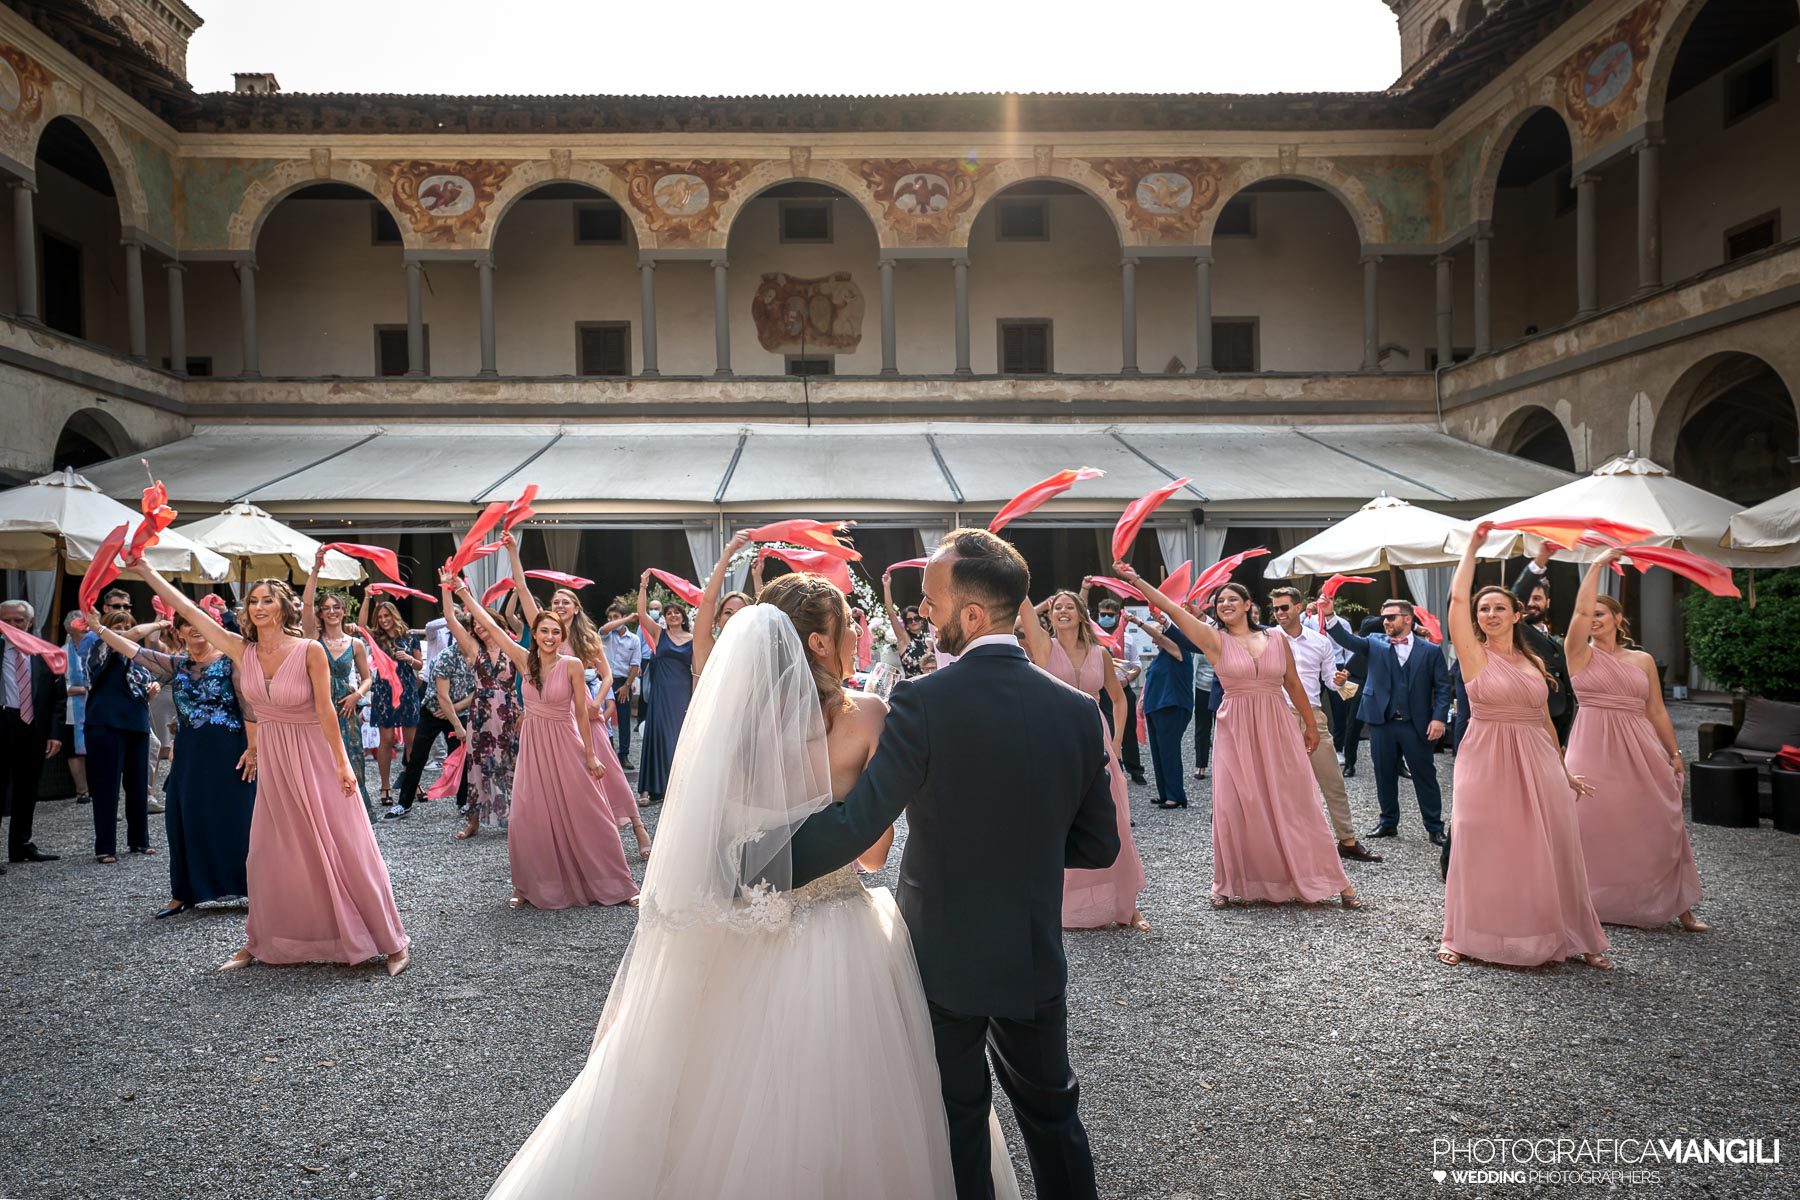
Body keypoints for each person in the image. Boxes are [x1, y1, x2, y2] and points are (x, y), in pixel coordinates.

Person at [487, 575, 1025, 1199]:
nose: (856, 636)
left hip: (748, 929)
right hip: (843, 926)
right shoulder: (869, 716)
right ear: (821, 643)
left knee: (721, 1090)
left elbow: (715, 840)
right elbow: (875, 855)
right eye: (849, 626)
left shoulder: (733, 727)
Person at [787, 529, 1119, 1200]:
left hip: (939, 954)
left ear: (971, 616)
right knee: (1053, 1114)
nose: (925, 615)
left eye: (932, 603)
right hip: (1030, 950)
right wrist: (1018, 847)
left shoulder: (922, 701)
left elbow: (858, 823)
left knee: (960, 1118)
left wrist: (756, 865)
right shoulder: (1079, 712)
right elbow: (1100, 846)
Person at [131, 562, 410, 975]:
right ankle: (264, 940)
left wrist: (343, 765)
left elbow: (326, 711)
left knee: (344, 845)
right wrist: (145, 571)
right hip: (276, 761)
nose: (258, 607)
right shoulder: (240, 650)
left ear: (283, 607)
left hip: (314, 755)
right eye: (253, 602)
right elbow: (187, 610)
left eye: (267, 600)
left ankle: (390, 941)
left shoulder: (309, 650)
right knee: (268, 854)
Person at [1121, 572, 1360, 911]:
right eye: (1220, 601)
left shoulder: (1277, 639)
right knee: (1235, 804)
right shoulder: (1213, 639)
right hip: (1236, 727)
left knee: (1295, 801)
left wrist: (1309, 724)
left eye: (1233, 599)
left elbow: (1293, 683)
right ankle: (1228, 882)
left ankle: (1334, 880)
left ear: (1249, 605)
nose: (1225, 604)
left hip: (1277, 723)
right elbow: (1171, 609)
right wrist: (1136, 580)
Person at [1437, 525, 1610, 970]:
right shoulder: (1474, 654)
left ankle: (1574, 935)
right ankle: (1463, 932)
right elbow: (1456, 602)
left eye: (1499, 608)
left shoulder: (1533, 659)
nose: (1489, 615)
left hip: (1538, 757)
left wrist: (1563, 768)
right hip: (1486, 756)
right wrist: (1473, 548)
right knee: (1479, 839)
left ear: (1517, 615)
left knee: (1552, 844)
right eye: (1483, 609)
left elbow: (1542, 720)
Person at [455, 587, 639, 910]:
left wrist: (591, 754)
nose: (550, 636)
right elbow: (493, 625)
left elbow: (581, 713)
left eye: (556, 631)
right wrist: (462, 593)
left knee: (590, 811)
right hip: (534, 746)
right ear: (535, 634)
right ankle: (527, 885)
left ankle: (618, 883)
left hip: (567, 742)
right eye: (544, 631)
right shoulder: (523, 660)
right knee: (527, 817)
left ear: (562, 634)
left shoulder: (572, 665)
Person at [85, 604, 256, 917]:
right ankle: (184, 892)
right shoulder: (177, 666)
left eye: (201, 624)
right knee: (181, 814)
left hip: (229, 748)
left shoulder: (232, 662)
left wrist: (254, 747)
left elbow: (248, 707)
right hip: (190, 751)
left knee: (237, 816)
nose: (194, 630)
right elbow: (133, 650)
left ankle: (253, 889)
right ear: (177, 632)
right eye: (186, 625)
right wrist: (98, 629)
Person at [1563, 556, 1705, 932]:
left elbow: (1657, 710)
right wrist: (1597, 567)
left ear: (1616, 617)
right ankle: (1590, 902)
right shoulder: (1578, 653)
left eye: (1601, 613)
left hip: (1641, 745)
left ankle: (1678, 905)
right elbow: (1579, 612)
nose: (1593, 619)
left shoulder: (1641, 660)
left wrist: (1674, 753)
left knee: (1657, 819)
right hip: (1592, 744)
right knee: (1590, 822)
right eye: (1588, 614)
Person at [505, 542, 653, 856]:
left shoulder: (587, 638)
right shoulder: (545, 631)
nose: (558, 605)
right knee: (569, 780)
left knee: (609, 771)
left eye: (564, 602)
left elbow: (608, 674)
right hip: (555, 710)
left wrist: (597, 702)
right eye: (555, 601)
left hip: (585, 708)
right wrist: (513, 553)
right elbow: (522, 587)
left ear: (575, 608)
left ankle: (640, 832)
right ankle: (580, 843)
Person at [1020, 589, 1150, 932]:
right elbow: (1022, 613)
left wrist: (1119, 741)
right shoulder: (1044, 647)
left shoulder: (1100, 653)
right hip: (1055, 736)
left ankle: (1127, 906)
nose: (1062, 611)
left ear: (1081, 614)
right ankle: (1058, 903)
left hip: (1097, 735)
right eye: (1057, 607)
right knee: (1060, 817)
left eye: (1069, 607)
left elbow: (1119, 700)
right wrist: (1034, 596)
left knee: (1116, 815)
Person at [1319, 597, 1452, 844]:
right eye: (1384, 617)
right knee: (1384, 773)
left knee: (1425, 774)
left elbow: (1443, 688)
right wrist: (1329, 616)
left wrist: (1438, 719)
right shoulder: (1374, 643)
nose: (1386, 621)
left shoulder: (1431, 651)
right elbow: (1348, 640)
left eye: (1391, 617)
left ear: (1407, 619)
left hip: (1417, 723)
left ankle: (1434, 827)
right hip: (1381, 722)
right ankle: (1388, 823)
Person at [1268, 587, 1382, 864]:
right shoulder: (1267, 639)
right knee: (1280, 786)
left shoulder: (1320, 642)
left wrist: (1339, 680)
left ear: (1299, 607)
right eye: (1275, 609)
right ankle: (1286, 846)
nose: (1280, 613)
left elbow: (1330, 680)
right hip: (1275, 716)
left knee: (1333, 781)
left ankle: (1348, 840)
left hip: (1313, 716)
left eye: (1284, 607)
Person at [442, 591, 520, 838]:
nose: (479, 627)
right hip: (482, 715)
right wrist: (447, 589)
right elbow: (450, 618)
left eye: (483, 622)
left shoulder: (513, 647)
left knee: (514, 762)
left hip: (510, 711)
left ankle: (520, 817)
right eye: (476, 625)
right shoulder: (474, 648)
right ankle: (473, 821)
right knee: (478, 765)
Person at [302, 553, 374, 819]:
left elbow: (368, 677)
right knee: (322, 761)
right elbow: (306, 604)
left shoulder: (355, 643)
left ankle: (355, 813)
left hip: (346, 708)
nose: (331, 611)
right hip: (317, 707)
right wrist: (315, 571)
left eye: (336, 607)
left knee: (352, 758)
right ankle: (326, 813)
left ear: (344, 611)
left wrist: (357, 694)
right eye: (327, 608)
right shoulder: (312, 637)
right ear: (321, 613)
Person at [387, 604, 475, 821]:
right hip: (434, 711)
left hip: (458, 709)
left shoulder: (477, 656)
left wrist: (455, 713)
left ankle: (464, 803)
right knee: (417, 756)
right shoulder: (445, 657)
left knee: (462, 758)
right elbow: (442, 696)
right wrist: (454, 722)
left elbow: (477, 690)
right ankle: (403, 804)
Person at [84, 608, 157, 863]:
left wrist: (151, 689)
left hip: (136, 722)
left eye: (126, 625)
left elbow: (144, 686)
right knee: (107, 787)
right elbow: (135, 634)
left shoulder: (139, 658)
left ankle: (139, 840)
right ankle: (105, 847)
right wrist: (163, 621)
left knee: (138, 785)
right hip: (106, 723)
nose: (123, 631)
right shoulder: (99, 647)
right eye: (117, 626)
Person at [1, 599, 64, 868]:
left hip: (34, 727)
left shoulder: (44, 653)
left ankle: (21, 845)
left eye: (19, 620)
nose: (14, 625)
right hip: (4, 721)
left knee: (28, 788)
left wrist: (55, 733)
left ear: (30, 621)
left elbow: (57, 698)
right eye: (8, 620)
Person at [1128, 603, 1198, 809]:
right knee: (1158, 753)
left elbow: (1161, 637)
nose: (1155, 637)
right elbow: (1150, 684)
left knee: (1169, 751)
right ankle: (1165, 793)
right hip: (1156, 708)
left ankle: (1175, 795)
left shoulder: (1180, 650)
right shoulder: (1161, 657)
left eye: (1161, 634)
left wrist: (1139, 622)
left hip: (1172, 707)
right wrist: (1142, 703)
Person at [636, 570, 695, 806]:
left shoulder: (693, 638)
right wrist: (643, 586)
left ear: (682, 617)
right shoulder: (660, 634)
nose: (672, 615)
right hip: (662, 693)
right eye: (668, 613)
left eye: (676, 612)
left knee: (680, 738)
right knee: (658, 735)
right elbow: (641, 613)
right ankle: (650, 789)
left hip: (682, 693)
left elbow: (697, 669)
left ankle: (676, 788)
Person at [358, 594, 422, 806]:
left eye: (387, 615)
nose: (384, 619)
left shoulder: (410, 636)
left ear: (394, 615)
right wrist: (367, 598)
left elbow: (420, 666)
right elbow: (360, 626)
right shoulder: (377, 637)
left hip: (408, 690)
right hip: (385, 692)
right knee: (386, 740)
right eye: (381, 616)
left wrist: (410, 658)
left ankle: (413, 783)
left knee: (412, 742)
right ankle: (385, 786)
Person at [1512, 546, 1577, 745]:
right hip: (1530, 723)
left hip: (1558, 725)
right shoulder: (1516, 631)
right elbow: (1514, 597)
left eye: (1537, 599)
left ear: (1547, 602)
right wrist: (1539, 561)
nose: (1532, 604)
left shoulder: (1557, 642)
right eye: (1528, 599)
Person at [1085, 589, 1147, 784]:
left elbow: (1136, 665)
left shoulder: (1127, 639)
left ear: (1118, 615)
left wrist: (1127, 680)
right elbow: (1081, 609)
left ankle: (1135, 770)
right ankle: (1110, 767)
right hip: (1101, 690)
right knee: (1105, 728)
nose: (1106, 617)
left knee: (1127, 729)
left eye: (1110, 615)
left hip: (1122, 688)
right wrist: (1086, 588)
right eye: (1102, 614)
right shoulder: (1093, 637)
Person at [693, 530, 754, 678]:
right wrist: (728, 552)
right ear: (717, 619)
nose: (734, 617)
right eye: (728, 612)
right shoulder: (706, 648)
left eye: (740, 613)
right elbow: (708, 600)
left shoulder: (754, 654)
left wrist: (756, 577)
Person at [598, 602, 641, 764]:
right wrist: (626, 619)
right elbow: (604, 629)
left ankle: (624, 754)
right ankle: (605, 750)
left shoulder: (634, 640)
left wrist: (627, 686)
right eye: (610, 617)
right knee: (602, 716)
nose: (612, 620)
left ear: (623, 617)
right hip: (604, 681)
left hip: (624, 682)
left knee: (624, 719)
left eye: (616, 617)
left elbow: (635, 664)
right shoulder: (606, 634)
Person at [60, 611, 94, 806]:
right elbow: (54, 686)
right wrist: (82, 689)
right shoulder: (62, 652)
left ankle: (98, 786)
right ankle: (82, 790)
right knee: (75, 752)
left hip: (95, 708)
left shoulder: (97, 648)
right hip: (72, 709)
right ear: (70, 630)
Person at [883, 572, 937, 681]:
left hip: (931, 685)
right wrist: (886, 586)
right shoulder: (904, 640)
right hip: (913, 687)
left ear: (922, 620)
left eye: (916, 618)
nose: (913, 621)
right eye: (909, 620)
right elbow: (891, 613)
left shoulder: (931, 641)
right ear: (906, 623)